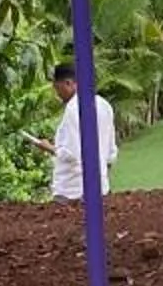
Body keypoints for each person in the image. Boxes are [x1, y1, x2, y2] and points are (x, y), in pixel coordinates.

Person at [45, 60, 117, 201]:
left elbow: (71, 154)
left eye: (57, 88)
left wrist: (48, 148)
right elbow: (111, 153)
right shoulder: (104, 105)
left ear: (68, 83)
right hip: (101, 187)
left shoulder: (73, 109)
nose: (57, 94)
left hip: (72, 191)